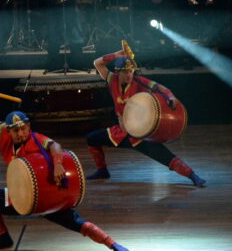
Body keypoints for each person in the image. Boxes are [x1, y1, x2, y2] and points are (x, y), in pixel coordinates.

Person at [0, 88, 130, 251]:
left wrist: (57, 165)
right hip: (19, 197)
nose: (20, 133)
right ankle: (4, 237)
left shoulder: (36, 139)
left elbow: (55, 146)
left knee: (77, 223)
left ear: (29, 126)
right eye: (15, 131)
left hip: (45, 198)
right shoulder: (4, 135)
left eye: (23, 129)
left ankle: (113, 244)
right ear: (9, 131)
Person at [85, 50, 206, 186]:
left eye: (131, 71)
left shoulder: (139, 81)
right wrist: (116, 55)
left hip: (139, 134)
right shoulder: (111, 79)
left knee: (165, 156)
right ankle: (102, 171)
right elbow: (97, 63)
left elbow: (160, 88)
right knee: (92, 138)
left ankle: (193, 176)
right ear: (118, 72)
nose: (129, 75)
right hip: (120, 132)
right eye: (125, 72)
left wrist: (171, 97)